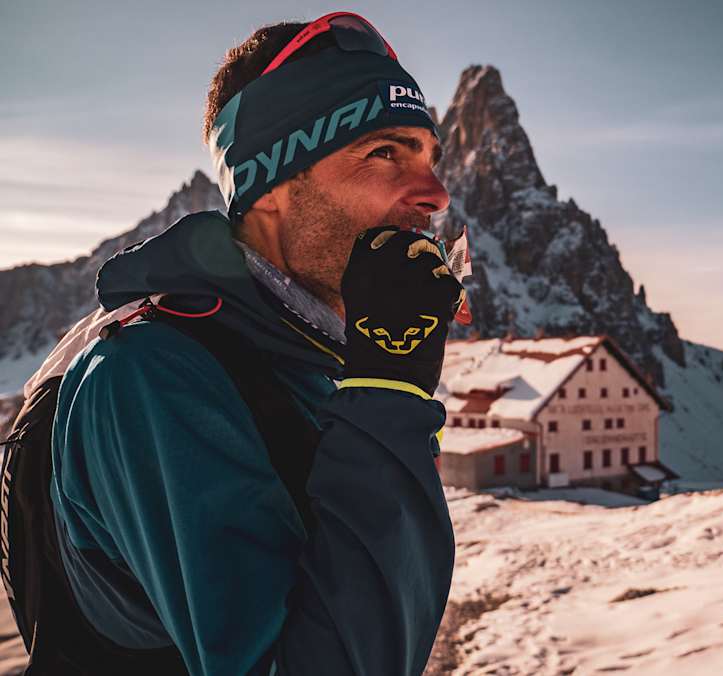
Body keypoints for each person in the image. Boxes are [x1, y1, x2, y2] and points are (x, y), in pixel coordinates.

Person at [33, 12, 464, 675]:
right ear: (270, 185)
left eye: (428, 157)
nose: (434, 195)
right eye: (384, 152)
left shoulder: (300, 355)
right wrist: (390, 390)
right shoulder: (150, 375)